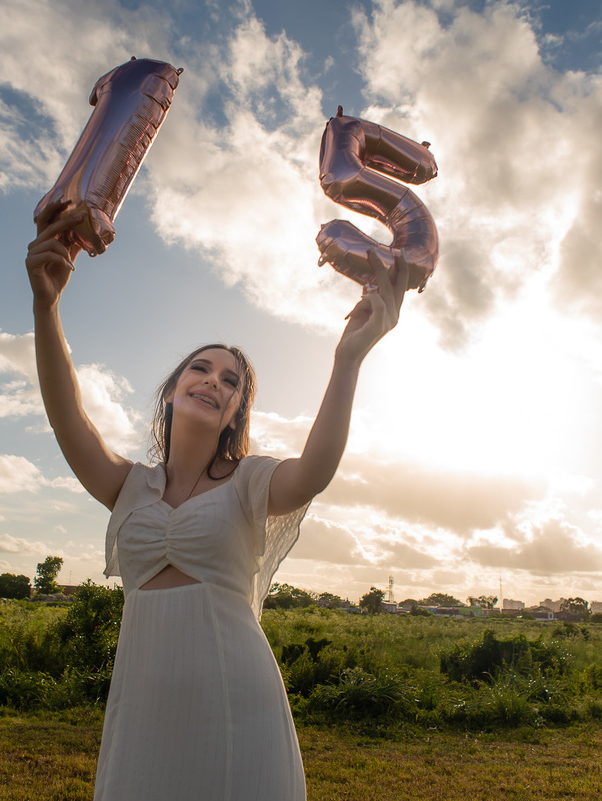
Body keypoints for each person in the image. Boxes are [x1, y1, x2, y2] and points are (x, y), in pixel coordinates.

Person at [25, 199, 407, 801]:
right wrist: (47, 307)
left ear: (235, 413)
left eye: (231, 382)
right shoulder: (129, 487)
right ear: (173, 393)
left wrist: (347, 359)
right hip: (144, 708)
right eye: (201, 370)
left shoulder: (248, 482)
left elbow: (312, 472)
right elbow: (66, 413)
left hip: (238, 702)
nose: (214, 380)